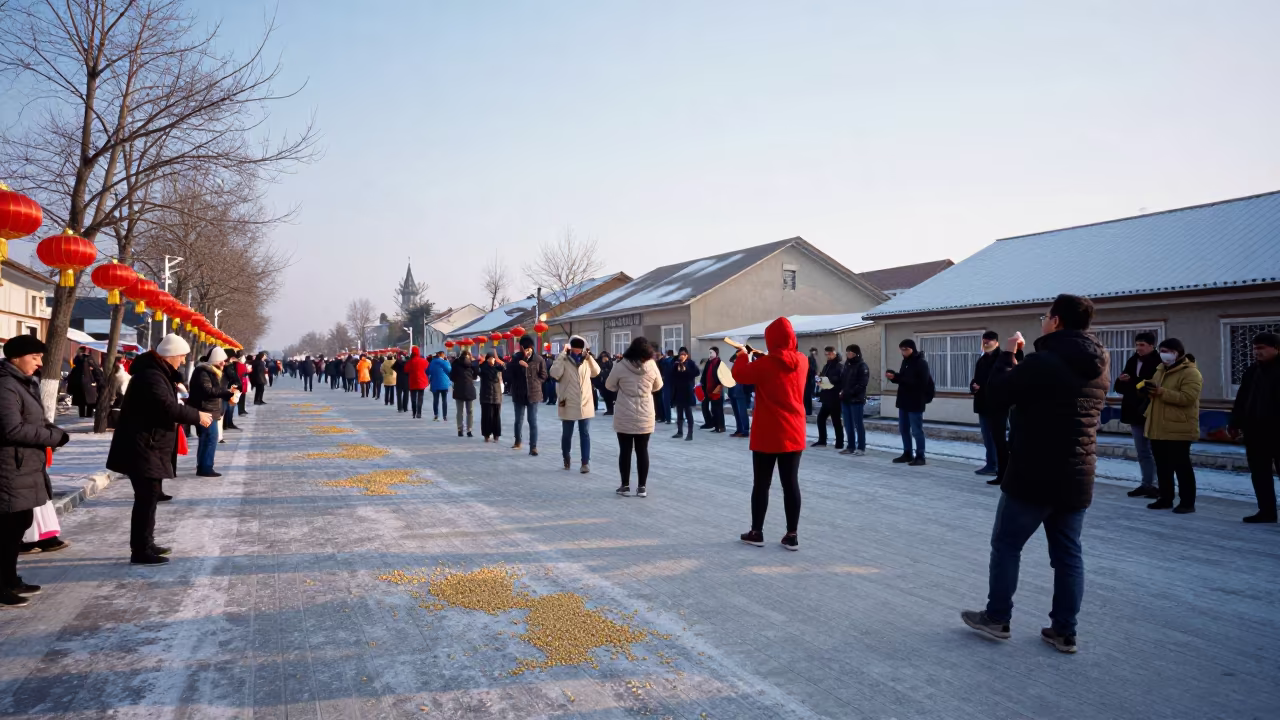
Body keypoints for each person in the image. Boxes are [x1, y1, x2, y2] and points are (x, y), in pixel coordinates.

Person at [961, 294, 1108, 654]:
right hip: (1078, 473)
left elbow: (997, 395)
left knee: (1007, 545)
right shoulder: (1099, 362)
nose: (1043, 321)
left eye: (1045, 316)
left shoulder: (1045, 360)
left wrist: (1008, 355)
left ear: (1056, 321)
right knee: (1068, 555)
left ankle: (997, 617)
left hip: (1034, 471)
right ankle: (1065, 631)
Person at [107, 335, 211, 566]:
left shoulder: (156, 373)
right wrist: (197, 416)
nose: (182, 361)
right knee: (146, 498)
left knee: (150, 497)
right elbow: (166, 407)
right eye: (181, 357)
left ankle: (147, 543)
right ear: (171, 355)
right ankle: (141, 550)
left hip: (148, 445)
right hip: (143, 445)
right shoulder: (151, 376)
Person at [0, 336, 70, 605]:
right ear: (16, 358)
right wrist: (52, 437)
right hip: (9, 467)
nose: (40, 363)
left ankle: (9, 579)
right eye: (35, 357)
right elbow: (11, 429)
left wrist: (54, 431)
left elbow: (36, 420)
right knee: (7, 529)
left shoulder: (23, 382)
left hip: (23, 467)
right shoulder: (6, 385)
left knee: (19, 524)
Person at [731, 318, 807, 551]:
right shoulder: (803, 361)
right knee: (790, 484)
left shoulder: (765, 364)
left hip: (768, 432)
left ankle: (757, 531)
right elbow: (781, 363)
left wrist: (743, 355)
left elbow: (740, 374)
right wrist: (765, 357)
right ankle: (792, 534)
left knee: (762, 484)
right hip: (794, 430)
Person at [1144, 338, 1202, 514]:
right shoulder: (1160, 370)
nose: (1163, 355)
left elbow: (1188, 398)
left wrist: (1162, 392)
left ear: (1177, 352)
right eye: (1161, 351)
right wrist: (1147, 390)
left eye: (1167, 351)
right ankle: (1165, 498)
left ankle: (1187, 502)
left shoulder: (1190, 373)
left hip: (1179, 427)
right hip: (1158, 425)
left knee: (1182, 466)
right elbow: (1155, 394)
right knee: (1162, 466)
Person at [1230, 332, 1279, 523]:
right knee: (1260, 473)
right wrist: (1235, 423)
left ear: (1276, 348)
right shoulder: (1252, 371)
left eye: (1261, 348)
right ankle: (1267, 511)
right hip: (1255, 432)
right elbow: (1242, 399)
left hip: (1277, 431)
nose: (1256, 352)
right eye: (1254, 348)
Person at [607, 337, 663, 497]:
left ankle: (625, 486)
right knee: (642, 450)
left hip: (624, 413)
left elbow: (609, 385)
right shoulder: (651, 365)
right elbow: (658, 385)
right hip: (645, 413)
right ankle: (642, 487)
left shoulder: (621, 365)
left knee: (625, 451)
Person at [1112, 332, 1161, 498]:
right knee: (1142, 451)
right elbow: (1120, 388)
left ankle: (1159, 485)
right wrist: (1121, 380)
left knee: (1156, 450)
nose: (1138, 348)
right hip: (1134, 411)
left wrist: (1132, 383)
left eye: (1142, 345)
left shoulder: (1158, 363)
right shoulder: (1132, 361)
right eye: (1137, 344)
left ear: (1151, 346)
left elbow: (1150, 387)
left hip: (1152, 412)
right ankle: (1146, 483)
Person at [971, 331, 1023, 485]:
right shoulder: (982, 360)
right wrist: (973, 386)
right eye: (984, 341)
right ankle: (991, 464)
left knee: (1000, 440)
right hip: (983, 403)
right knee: (988, 437)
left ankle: (1002, 470)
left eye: (989, 341)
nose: (985, 343)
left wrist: (1018, 348)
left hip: (998, 404)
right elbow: (976, 378)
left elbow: (1009, 373)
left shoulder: (1002, 358)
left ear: (996, 342)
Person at [550, 336, 600, 472]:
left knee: (585, 433)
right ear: (571, 349)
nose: (578, 353)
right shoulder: (564, 360)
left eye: (580, 350)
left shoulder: (586, 361)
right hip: (568, 401)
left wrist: (590, 358)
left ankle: (585, 462)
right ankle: (566, 456)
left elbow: (596, 372)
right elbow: (554, 373)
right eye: (575, 350)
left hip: (585, 402)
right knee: (567, 434)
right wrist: (562, 354)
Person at [188, 347, 237, 478]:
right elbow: (207, 391)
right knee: (210, 438)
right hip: (206, 409)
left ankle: (204, 466)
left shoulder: (213, 371)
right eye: (222, 360)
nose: (224, 363)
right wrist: (226, 393)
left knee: (207, 438)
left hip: (211, 409)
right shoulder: (203, 371)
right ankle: (206, 467)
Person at [885, 339, 933, 466]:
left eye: (906, 349)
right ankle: (907, 453)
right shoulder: (905, 362)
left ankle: (920, 456)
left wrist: (900, 378)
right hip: (904, 401)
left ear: (913, 349)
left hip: (915, 401)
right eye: (902, 350)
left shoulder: (921, 363)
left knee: (916, 430)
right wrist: (894, 377)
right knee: (904, 429)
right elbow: (903, 379)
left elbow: (921, 382)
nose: (904, 352)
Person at [508, 335, 547, 455]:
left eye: (529, 349)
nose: (527, 351)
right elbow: (509, 373)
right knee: (518, 420)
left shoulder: (538, 359)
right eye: (525, 349)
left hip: (533, 394)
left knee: (532, 421)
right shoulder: (516, 358)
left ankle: (533, 447)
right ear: (521, 348)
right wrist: (518, 364)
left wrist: (536, 382)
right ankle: (517, 441)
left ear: (532, 348)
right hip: (519, 393)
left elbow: (544, 375)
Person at [838, 344, 869, 456]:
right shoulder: (847, 365)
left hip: (856, 400)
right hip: (845, 399)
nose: (848, 354)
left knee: (858, 424)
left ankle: (861, 447)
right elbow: (843, 380)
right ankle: (850, 446)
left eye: (850, 352)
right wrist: (841, 390)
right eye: (847, 352)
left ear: (856, 354)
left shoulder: (862, 366)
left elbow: (862, 384)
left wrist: (849, 392)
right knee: (848, 424)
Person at [812, 346, 844, 449]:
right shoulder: (827, 366)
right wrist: (819, 380)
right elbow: (823, 377)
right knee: (821, 418)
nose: (828, 356)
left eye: (829, 354)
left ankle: (839, 443)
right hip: (826, 396)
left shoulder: (839, 366)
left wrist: (831, 381)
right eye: (826, 354)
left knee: (836, 421)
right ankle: (822, 440)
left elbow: (842, 381)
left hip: (835, 397)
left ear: (834, 353)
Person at [669, 347, 699, 440]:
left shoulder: (690, 363)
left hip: (687, 391)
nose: (682, 356)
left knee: (688, 412)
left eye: (684, 354)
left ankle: (690, 433)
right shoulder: (676, 363)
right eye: (681, 354)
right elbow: (672, 375)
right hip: (678, 391)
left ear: (687, 355)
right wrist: (677, 365)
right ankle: (680, 431)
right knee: (679, 413)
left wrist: (686, 368)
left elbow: (696, 373)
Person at [67, 347, 104, 418]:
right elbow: (96, 370)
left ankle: (82, 417)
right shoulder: (88, 359)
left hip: (79, 385)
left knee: (81, 404)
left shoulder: (77, 360)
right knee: (90, 403)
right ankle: (88, 417)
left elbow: (72, 375)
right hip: (89, 384)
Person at [478, 352, 506, 442]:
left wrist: (500, 362)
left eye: (493, 358)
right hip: (486, 395)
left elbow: (506, 368)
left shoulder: (498, 367)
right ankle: (486, 434)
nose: (492, 360)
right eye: (490, 358)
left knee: (496, 416)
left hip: (497, 395)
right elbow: (477, 370)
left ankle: (496, 434)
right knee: (486, 416)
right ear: (487, 359)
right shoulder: (483, 368)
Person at [449, 350, 478, 435]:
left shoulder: (455, 363)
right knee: (470, 411)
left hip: (458, 389)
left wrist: (457, 381)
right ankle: (469, 430)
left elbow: (452, 377)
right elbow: (475, 375)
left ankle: (460, 429)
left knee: (459, 411)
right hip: (469, 388)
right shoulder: (471, 364)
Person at [700, 347, 726, 432]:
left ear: (716, 353)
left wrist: (719, 386)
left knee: (718, 409)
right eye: (709, 353)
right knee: (713, 409)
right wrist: (702, 383)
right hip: (708, 389)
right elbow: (705, 374)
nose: (710, 355)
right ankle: (715, 426)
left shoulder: (719, 363)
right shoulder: (709, 362)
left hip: (717, 389)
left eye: (711, 353)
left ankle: (721, 427)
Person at [729, 351, 753, 438]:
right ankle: (739, 429)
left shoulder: (747, 362)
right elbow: (731, 359)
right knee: (736, 412)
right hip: (733, 390)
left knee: (742, 412)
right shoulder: (736, 362)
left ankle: (745, 430)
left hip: (741, 390)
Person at [401, 346, 428, 419]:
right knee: (420, 398)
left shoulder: (410, 362)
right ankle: (419, 412)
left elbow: (406, 370)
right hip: (421, 381)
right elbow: (426, 367)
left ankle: (414, 412)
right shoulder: (423, 361)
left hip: (412, 381)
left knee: (413, 398)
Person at [428, 351, 452, 421]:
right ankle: (445, 415)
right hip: (444, 383)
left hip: (435, 383)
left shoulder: (432, 362)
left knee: (435, 399)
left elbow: (428, 371)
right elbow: (449, 370)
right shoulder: (444, 362)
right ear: (442, 355)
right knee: (444, 400)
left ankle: (436, 414)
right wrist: (447, 361)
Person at [657, 349, 674, 424]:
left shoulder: (666, 361)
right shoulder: (672, 361)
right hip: (670, 382)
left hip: (666, 382)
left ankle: (667, 418)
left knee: (665, 401)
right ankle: (667, 418)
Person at [805, 348, 818, 417]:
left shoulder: (812, 359)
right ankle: (808, 411)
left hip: (810, 380)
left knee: (808, 396)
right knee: (808, 396)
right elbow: (812, 369)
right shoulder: (810, 359)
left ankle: (808, 411)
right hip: (809, 380)